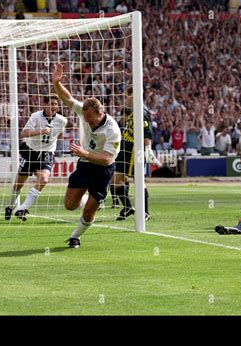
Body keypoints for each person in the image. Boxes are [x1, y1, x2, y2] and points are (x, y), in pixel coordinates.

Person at [52, 63, 121, 248]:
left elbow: (107, 159)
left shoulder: (113, 130)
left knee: (90, 210)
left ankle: (75, 236)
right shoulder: (84, 112)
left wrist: (85, 153)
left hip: (103, 170)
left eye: (90, 117)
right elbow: (68, 99)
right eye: (85, 116)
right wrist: (56, 83)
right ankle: (84, 198)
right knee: (69, 205)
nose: (87, 120)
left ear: (100, 113)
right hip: (85, 165)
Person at [4, 95, 67, 221]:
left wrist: (52, 145)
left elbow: (60, 134)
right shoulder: (35, 116)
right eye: (51, 104)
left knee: (43, 180)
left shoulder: (62, 120)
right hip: (31, 152)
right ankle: (10, 207)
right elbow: (24, 133)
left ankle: (22, 209)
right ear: (45, 105)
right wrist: (41, 132)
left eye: (56, 104)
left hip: (47, 154)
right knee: (18, 184)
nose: (54, 106)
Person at [112, 86, 161, 221]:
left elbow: (147, 131)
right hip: (124, 149)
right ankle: (128, 207)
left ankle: (145, 212)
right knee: (116, 180)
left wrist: (148, 148)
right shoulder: (133, 111)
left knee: (138, 181)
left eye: (127, 95)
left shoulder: (142, 110)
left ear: (134, 96)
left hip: (134, 151)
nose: (125, 99)